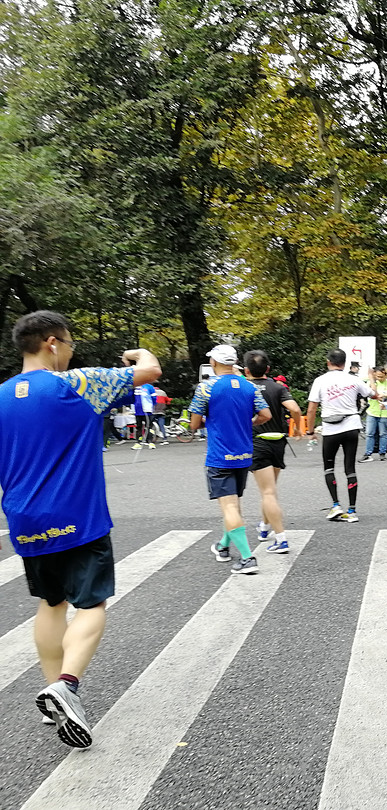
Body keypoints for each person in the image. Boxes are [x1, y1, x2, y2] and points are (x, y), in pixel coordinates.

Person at [0, 310, 161, 748]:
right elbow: (150, 369)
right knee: (91, 605)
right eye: (69, 344)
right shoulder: (78, 384)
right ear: (52, 342)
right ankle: (66, 686)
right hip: (78, 518)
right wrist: (135, 352)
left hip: (25, 520)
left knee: (51, 604)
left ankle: (56, 696)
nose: (72, 353)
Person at [191, 345, 271, 574]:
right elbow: (266, 415)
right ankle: (223, 546)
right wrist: (248, 422)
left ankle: (248, 558)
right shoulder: (249, 386)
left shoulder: (206, 388)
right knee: (234, 505)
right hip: (244, 454)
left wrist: (213, 421)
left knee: (229, 507)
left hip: (219, 456)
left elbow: (195, 424)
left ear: (214, 363)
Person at [306, 348, 376, 520]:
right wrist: (372, 377)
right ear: (345, 364)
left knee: (329, 467)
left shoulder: (320, 381)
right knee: (349, 467)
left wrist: (310, 431)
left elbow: (312, 408)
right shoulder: (353, 379)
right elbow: (374, 394)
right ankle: (352, 511)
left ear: (328, 362)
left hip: (331, 428)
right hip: (352, 426)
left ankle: (336, 505)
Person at [244, 350, 302, 554]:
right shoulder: (278, 387)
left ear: (246, 370)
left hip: (257, 442)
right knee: (269, 490)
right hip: (278, 441)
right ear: (267, 369)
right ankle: (264, 527)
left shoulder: (245, 387)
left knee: (267, 492)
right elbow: (294, 409)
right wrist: (295, 427)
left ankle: (281, 539)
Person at [361, 367, 387, 462]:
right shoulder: (371, 383)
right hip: (372, 411)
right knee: (369, 433)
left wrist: (386, 396)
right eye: (378, 376)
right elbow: (369, 393)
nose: (380, 378)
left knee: (383, 433)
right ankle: (368, 453)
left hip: (384, 412)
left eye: (382, 376)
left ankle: (382, 452)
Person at [131, 378, 157, 448]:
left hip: (147, 410)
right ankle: (138, 442)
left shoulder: (149, 387)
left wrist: (151, 406)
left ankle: (150, 442)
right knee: (138, 427)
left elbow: (154, 398)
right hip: (137, 410)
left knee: (149, 427)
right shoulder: (134, 387)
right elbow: (132, 398)